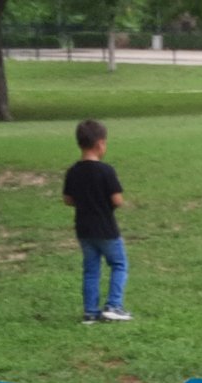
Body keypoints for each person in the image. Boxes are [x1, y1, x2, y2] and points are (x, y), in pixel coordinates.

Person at [63, 119, 131, 324]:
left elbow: (67, 199)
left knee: (91, 269)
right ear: (100, 144)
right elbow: (117, 200)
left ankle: (90, 312)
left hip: (83, 229)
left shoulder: (73, 171)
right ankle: (113, 305)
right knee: (119, 264)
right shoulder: (106, 171)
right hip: (106, 229)